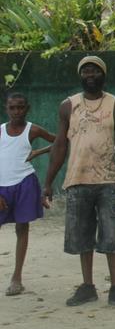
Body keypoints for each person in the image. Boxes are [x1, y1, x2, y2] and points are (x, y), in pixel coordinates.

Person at [43, 56, 115, 308]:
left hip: (108, 180)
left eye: (95, 71)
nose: (90, 74)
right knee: (82, 236)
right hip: (77, 179)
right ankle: (87, 286)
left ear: (103, 75)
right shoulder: (68, 106)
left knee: (113, 236)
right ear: (80, 76)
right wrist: (48, 182)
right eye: (85, 71)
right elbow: (60, 145)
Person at [0, 92, 55, 296]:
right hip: (2, 187)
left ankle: (16, 278)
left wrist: (38, 152)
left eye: (20, 107)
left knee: (22, 229)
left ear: (27, 108)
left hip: (24, 183)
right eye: (12, 107)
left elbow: (60, 141)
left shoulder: (33, 130)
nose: (16, 111)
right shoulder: (0, 132)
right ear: (6, 108)